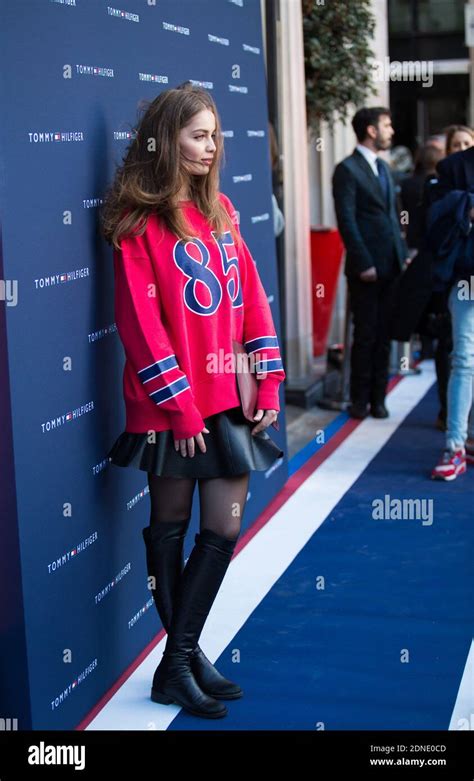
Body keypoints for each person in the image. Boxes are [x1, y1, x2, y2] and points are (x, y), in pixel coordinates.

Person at [100, 84, 286, 717]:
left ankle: (177, 659)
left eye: (214, 135)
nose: (212, 147)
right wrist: (178, 409)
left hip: (225, 394)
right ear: (166, 140)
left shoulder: (224, 210)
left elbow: (253, 301)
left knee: (223, 527)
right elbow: (140, 328)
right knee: (170, 527)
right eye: (198, 135)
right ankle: (182, 661)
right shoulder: (137, 224)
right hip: (171, 406)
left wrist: (267, 378)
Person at [332, 106, 408, 419]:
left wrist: (402, 252)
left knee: (384, 334)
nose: (392, 131)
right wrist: (363, 261)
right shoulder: (347, 169)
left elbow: (391, 215)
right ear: (372, 130)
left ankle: (379, 398)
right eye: (387, 125)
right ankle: (359, 401)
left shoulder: (384, 168)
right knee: (365, 334)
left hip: (392, 263)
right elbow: (346, 220)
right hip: (366, 267)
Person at [427, 144, 474, 480]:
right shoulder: (453, 167)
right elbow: (433, 220)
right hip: (465, 277)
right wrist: (468, 206)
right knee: (464, 359)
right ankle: (455, 445)